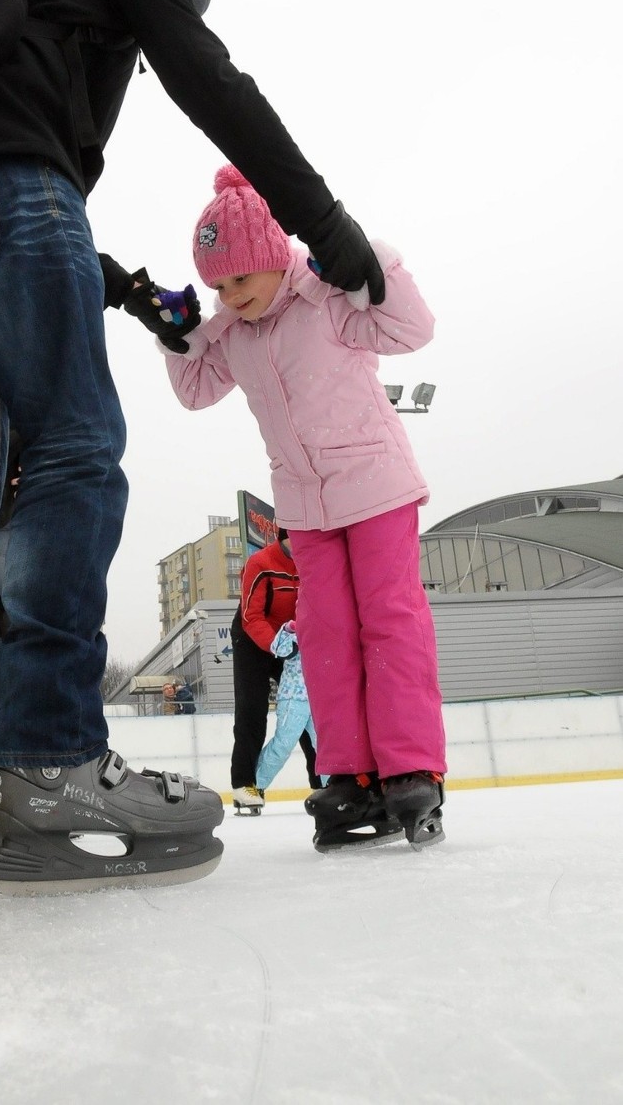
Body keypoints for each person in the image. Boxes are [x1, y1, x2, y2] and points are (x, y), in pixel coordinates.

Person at [0, 0, 384, 897]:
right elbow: (217, 89)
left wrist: (113, 279)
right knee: (73, 448)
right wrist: (328, 227)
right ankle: (50, 757)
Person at [161, 166, 447, 850]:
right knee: (324, 636)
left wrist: (365, 258)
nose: (230, 297)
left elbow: (413, 329)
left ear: (269, 258)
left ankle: (410, 767)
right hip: (306, 509)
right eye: (217, 287)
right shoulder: (233, 330)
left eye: (239, 280)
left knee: (388, 620)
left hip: (375, 487)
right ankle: (348, 773)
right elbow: (195, 390)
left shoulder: (325, 294)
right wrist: (178, 334)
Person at [229, 530, 319, 814]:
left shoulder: (312, 562)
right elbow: (250, 615)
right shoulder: (260, 562)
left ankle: (322, 784)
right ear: (286, 536)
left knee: (308, 710)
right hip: (253, 640)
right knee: (251, 710)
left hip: (292, 640)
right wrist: (275, 644)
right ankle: (245, 785)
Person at [255, 622, 318, 795]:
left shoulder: (327, 629)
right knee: (283, 745)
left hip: (319, 700)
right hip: (293, 698)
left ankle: (333, 788)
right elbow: (279, 650)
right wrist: (289, 630)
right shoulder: (293, 630)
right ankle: (256, 784)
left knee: (325, 747)